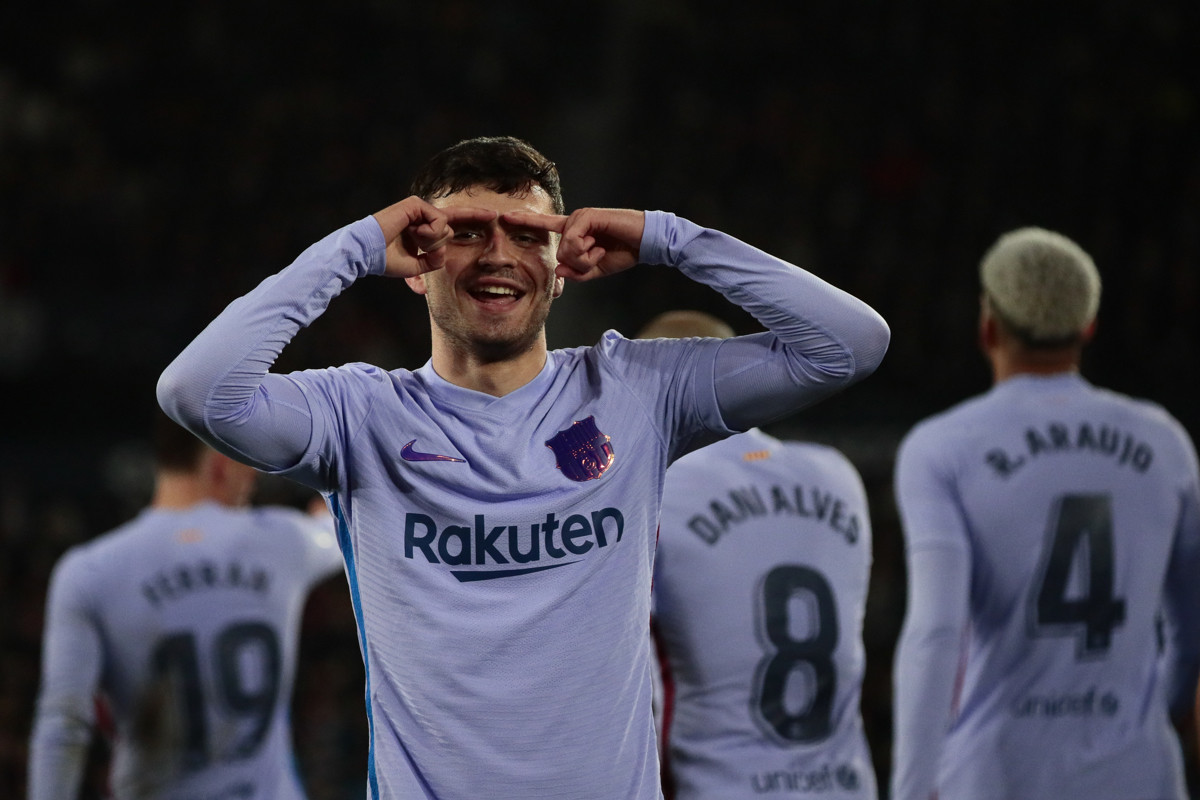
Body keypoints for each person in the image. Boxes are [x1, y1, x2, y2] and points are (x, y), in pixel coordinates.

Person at [156, 134, 891, 799]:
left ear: (563, 266)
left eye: (527, 235)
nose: (498, 254)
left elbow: (849, 344)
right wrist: (353, 248)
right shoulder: (359, 417)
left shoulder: (636, 390)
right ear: (418, 263)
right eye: (467, 233)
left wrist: (667, 238)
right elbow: (196, 391)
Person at [889, 227, 1200, 800]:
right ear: (1087, 328)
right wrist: (1162, 711)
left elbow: (936, 633)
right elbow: (1192, 623)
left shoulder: (943, 446)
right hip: (1139, 773)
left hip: (999, 773)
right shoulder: (1165, 443)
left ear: (988, 327)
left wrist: (911, 789)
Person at [27, 411, 344, 800]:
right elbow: (337, 530)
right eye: (250, 464)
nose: (255, 478)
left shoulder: (90, 571)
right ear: (220, 463)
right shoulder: (281, 540)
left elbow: (63, 725)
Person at [643, 310, 878, 800]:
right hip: (845, 785)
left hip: (720, 786)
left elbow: (632, 687)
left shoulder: (655, 490)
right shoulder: (837, 476)